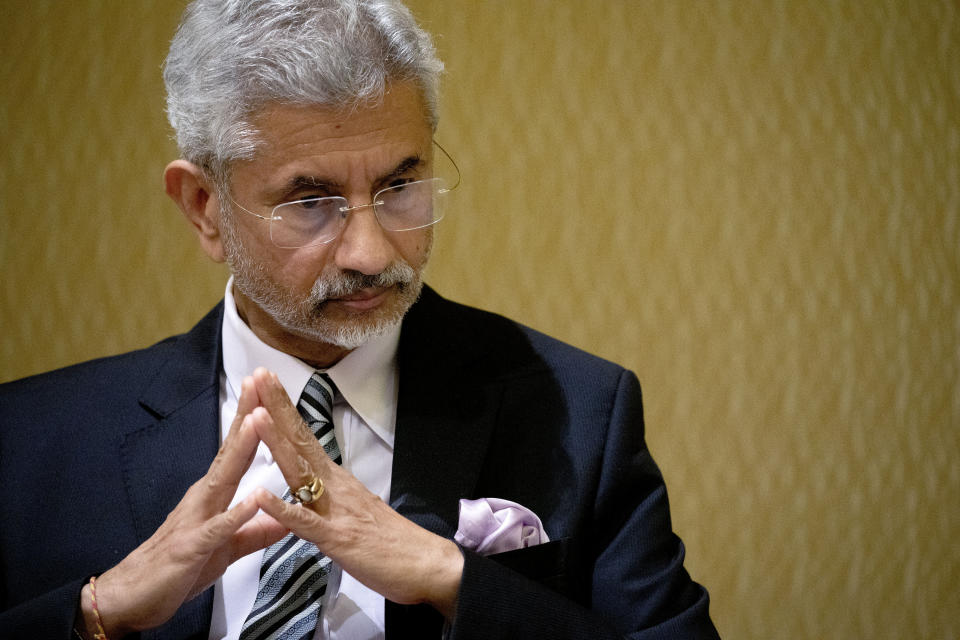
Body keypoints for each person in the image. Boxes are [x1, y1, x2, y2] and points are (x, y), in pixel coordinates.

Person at [0, 1, 720, 638]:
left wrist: (457, 581)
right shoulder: (33, 443)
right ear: (204, 208)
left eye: (400, 186)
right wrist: (96, 614)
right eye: (310, 202)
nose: (372, 252)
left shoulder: (579, 414)